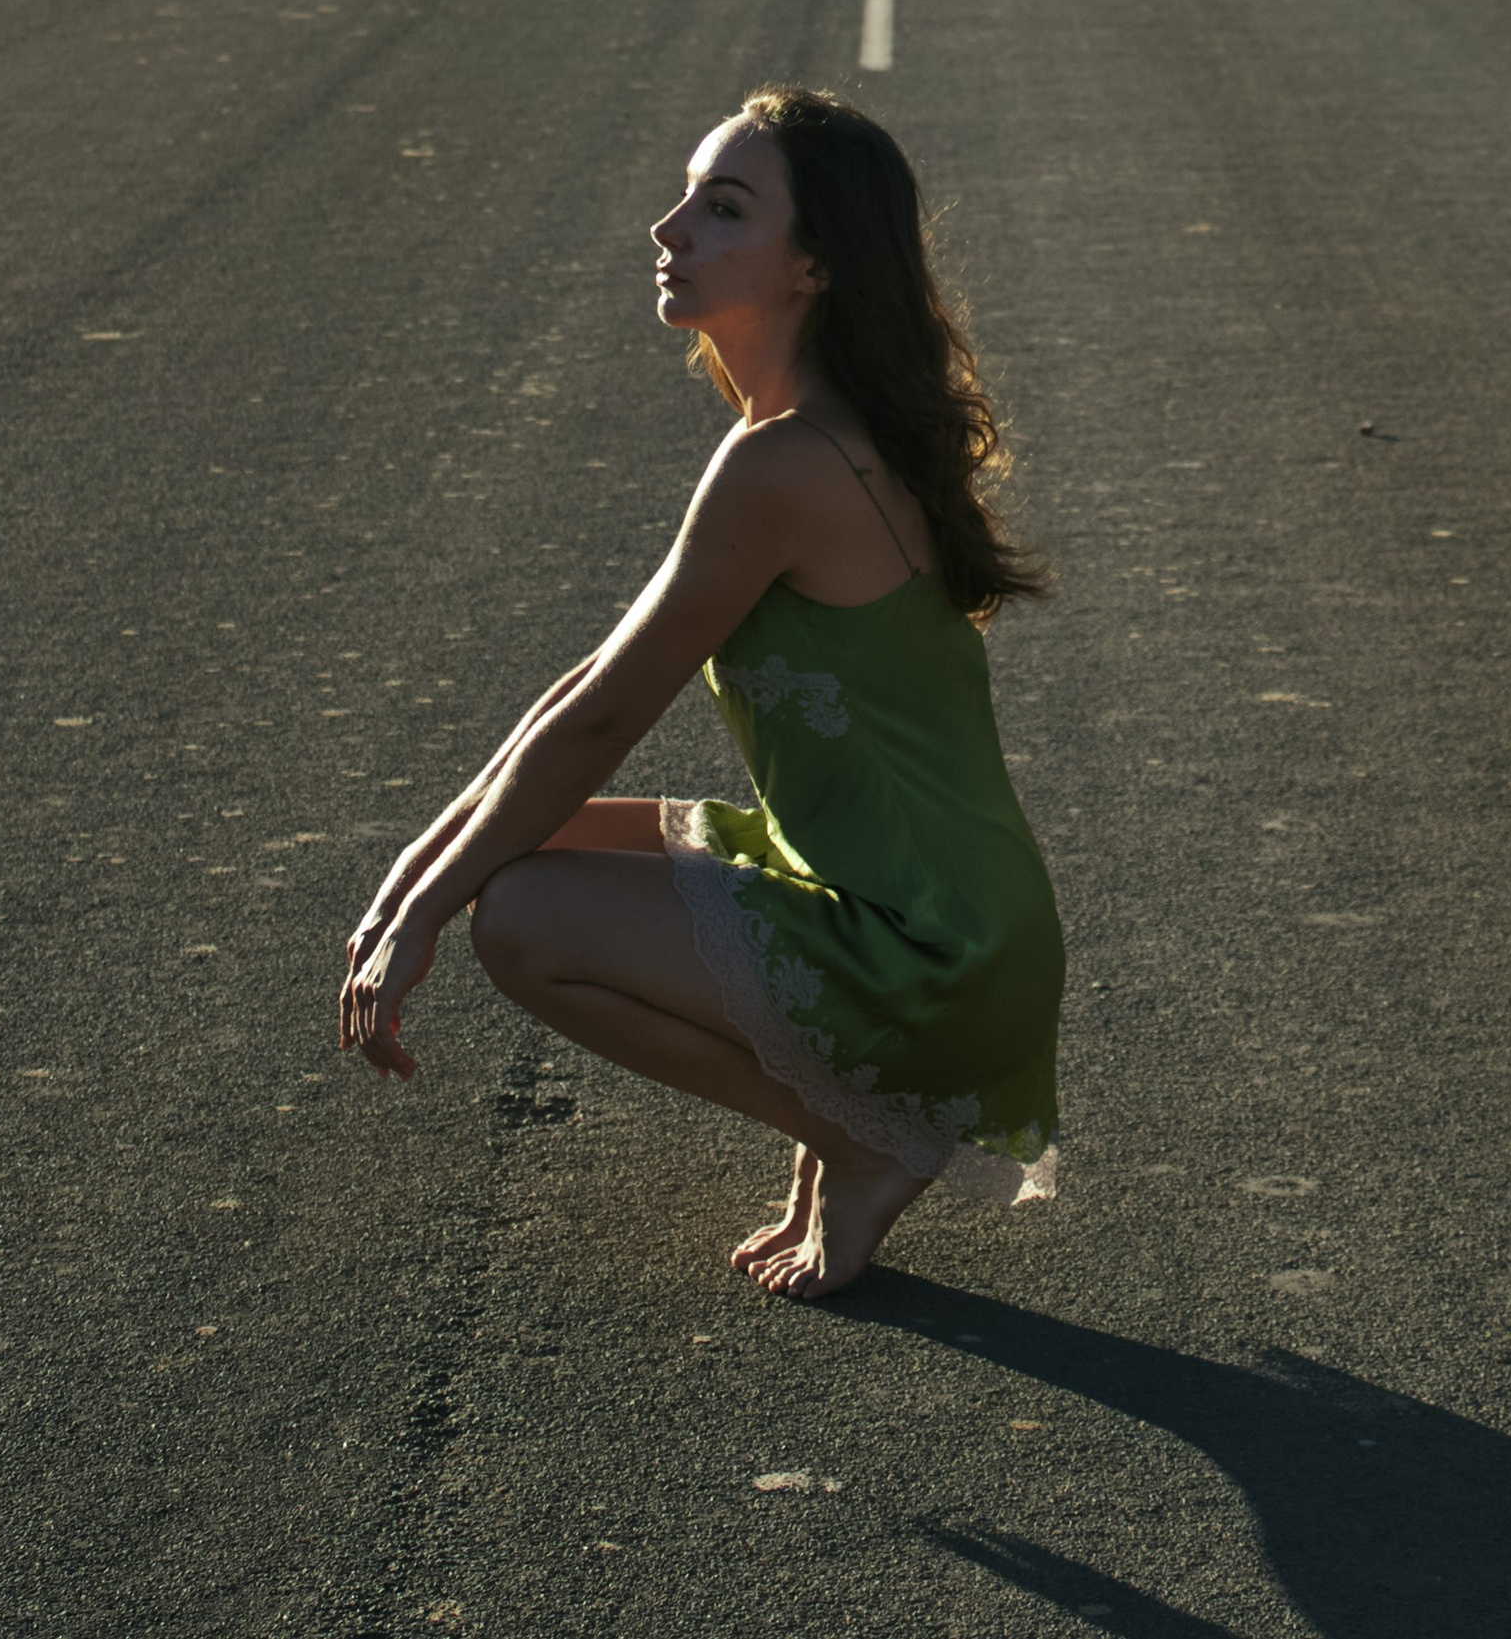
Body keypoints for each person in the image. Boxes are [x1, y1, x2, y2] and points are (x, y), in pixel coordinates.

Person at [339, 83, 1061, 1299]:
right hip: (927, 904)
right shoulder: (806, 431)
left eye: (722, 208)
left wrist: (419, 920)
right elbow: (585, 688)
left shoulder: (786, 460)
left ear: (814, 265)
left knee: (516, 919)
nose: (670, 227)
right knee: (516, 847)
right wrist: (405, 885)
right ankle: (841, 1138)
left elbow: (609, 719)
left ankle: (863, 1134)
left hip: (931, 943)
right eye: (684, 197)